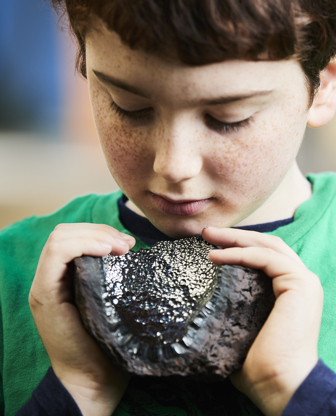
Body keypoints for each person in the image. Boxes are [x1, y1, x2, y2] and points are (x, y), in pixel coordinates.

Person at [1, 0, 336, 415]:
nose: (173, 166)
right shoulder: (10, 273)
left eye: (228, 117)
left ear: (323, 86)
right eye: (130, 107)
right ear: (84, 64)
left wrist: (298, 390)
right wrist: (76, 391)